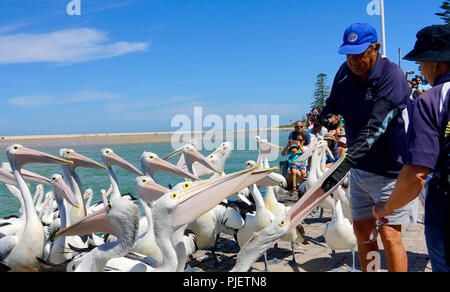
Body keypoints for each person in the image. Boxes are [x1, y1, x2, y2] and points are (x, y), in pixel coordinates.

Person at [317, 23, 416, 272]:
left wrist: (342, 167)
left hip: (391, 172)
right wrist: (327, 117)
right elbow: (332, 105)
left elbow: (375, 128)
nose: (353, 60)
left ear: (376, 48)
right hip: (360, 170)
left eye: (359, 53)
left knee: (390, 235)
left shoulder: (391, 75)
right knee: (363, 232)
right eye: (348, 54)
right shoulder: (343, 72)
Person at [373, 24, 450, 272]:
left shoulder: (431, 100)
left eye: (421, 61)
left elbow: (417, 174)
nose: (419, 68)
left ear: (437, 63)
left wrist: (386, 207)